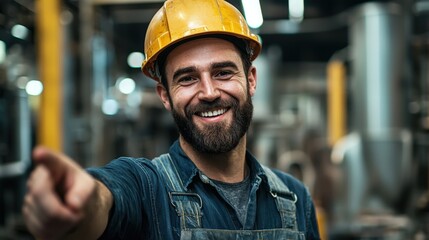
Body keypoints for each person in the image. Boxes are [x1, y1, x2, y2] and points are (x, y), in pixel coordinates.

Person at [22, 0, 321, 239]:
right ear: (165, 95)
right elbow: (104, 200)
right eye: (187, 78)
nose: (208, 92)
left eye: (223, 72)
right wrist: (81, 207)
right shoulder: (147, 189)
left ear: (251, 79)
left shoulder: (294, 198)